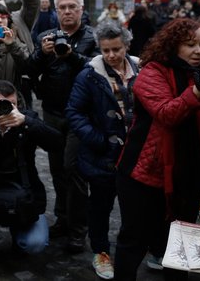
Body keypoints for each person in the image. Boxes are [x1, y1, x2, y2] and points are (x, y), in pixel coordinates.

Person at [114, 18, 200, 280]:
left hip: (188, 175)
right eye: (190, 44)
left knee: (179, 243)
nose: (198, 51)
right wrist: (197, 91)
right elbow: (166, 113)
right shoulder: (152, 72)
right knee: (134, 239)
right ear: (173, 45)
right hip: (144, 173)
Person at [0, 80, 62, 274]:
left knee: (35, 244)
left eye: (12, 104)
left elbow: (57, 143)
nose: (8, 109)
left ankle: (19, 235)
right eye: (1, 104)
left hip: (23, 189)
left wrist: (26, 122)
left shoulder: (26, 119)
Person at [28, 0, 98, 253]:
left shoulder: (91, 37)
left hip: (81, 115)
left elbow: (96, 69)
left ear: (81, 9)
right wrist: (41, 54)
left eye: (72, 7)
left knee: (74, 171)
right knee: (57, 170)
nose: (67, 12)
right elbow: (29, 71)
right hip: (52, 112)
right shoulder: (46, 37)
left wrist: (71, 55)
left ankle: (79, 231)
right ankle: (63, 219)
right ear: (56, 12)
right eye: (62, 8)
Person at [66, 24, 139, 280]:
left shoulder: (140, 68)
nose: (111, 55)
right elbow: (74, 112)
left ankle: (134, 252)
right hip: (102, 155)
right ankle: (101, 252)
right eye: (106, 50)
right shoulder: (89, 74)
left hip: (134, 155)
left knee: (134, 208)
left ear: (126, 45)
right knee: (99, 207)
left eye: (116, 49)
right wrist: (99, 139)